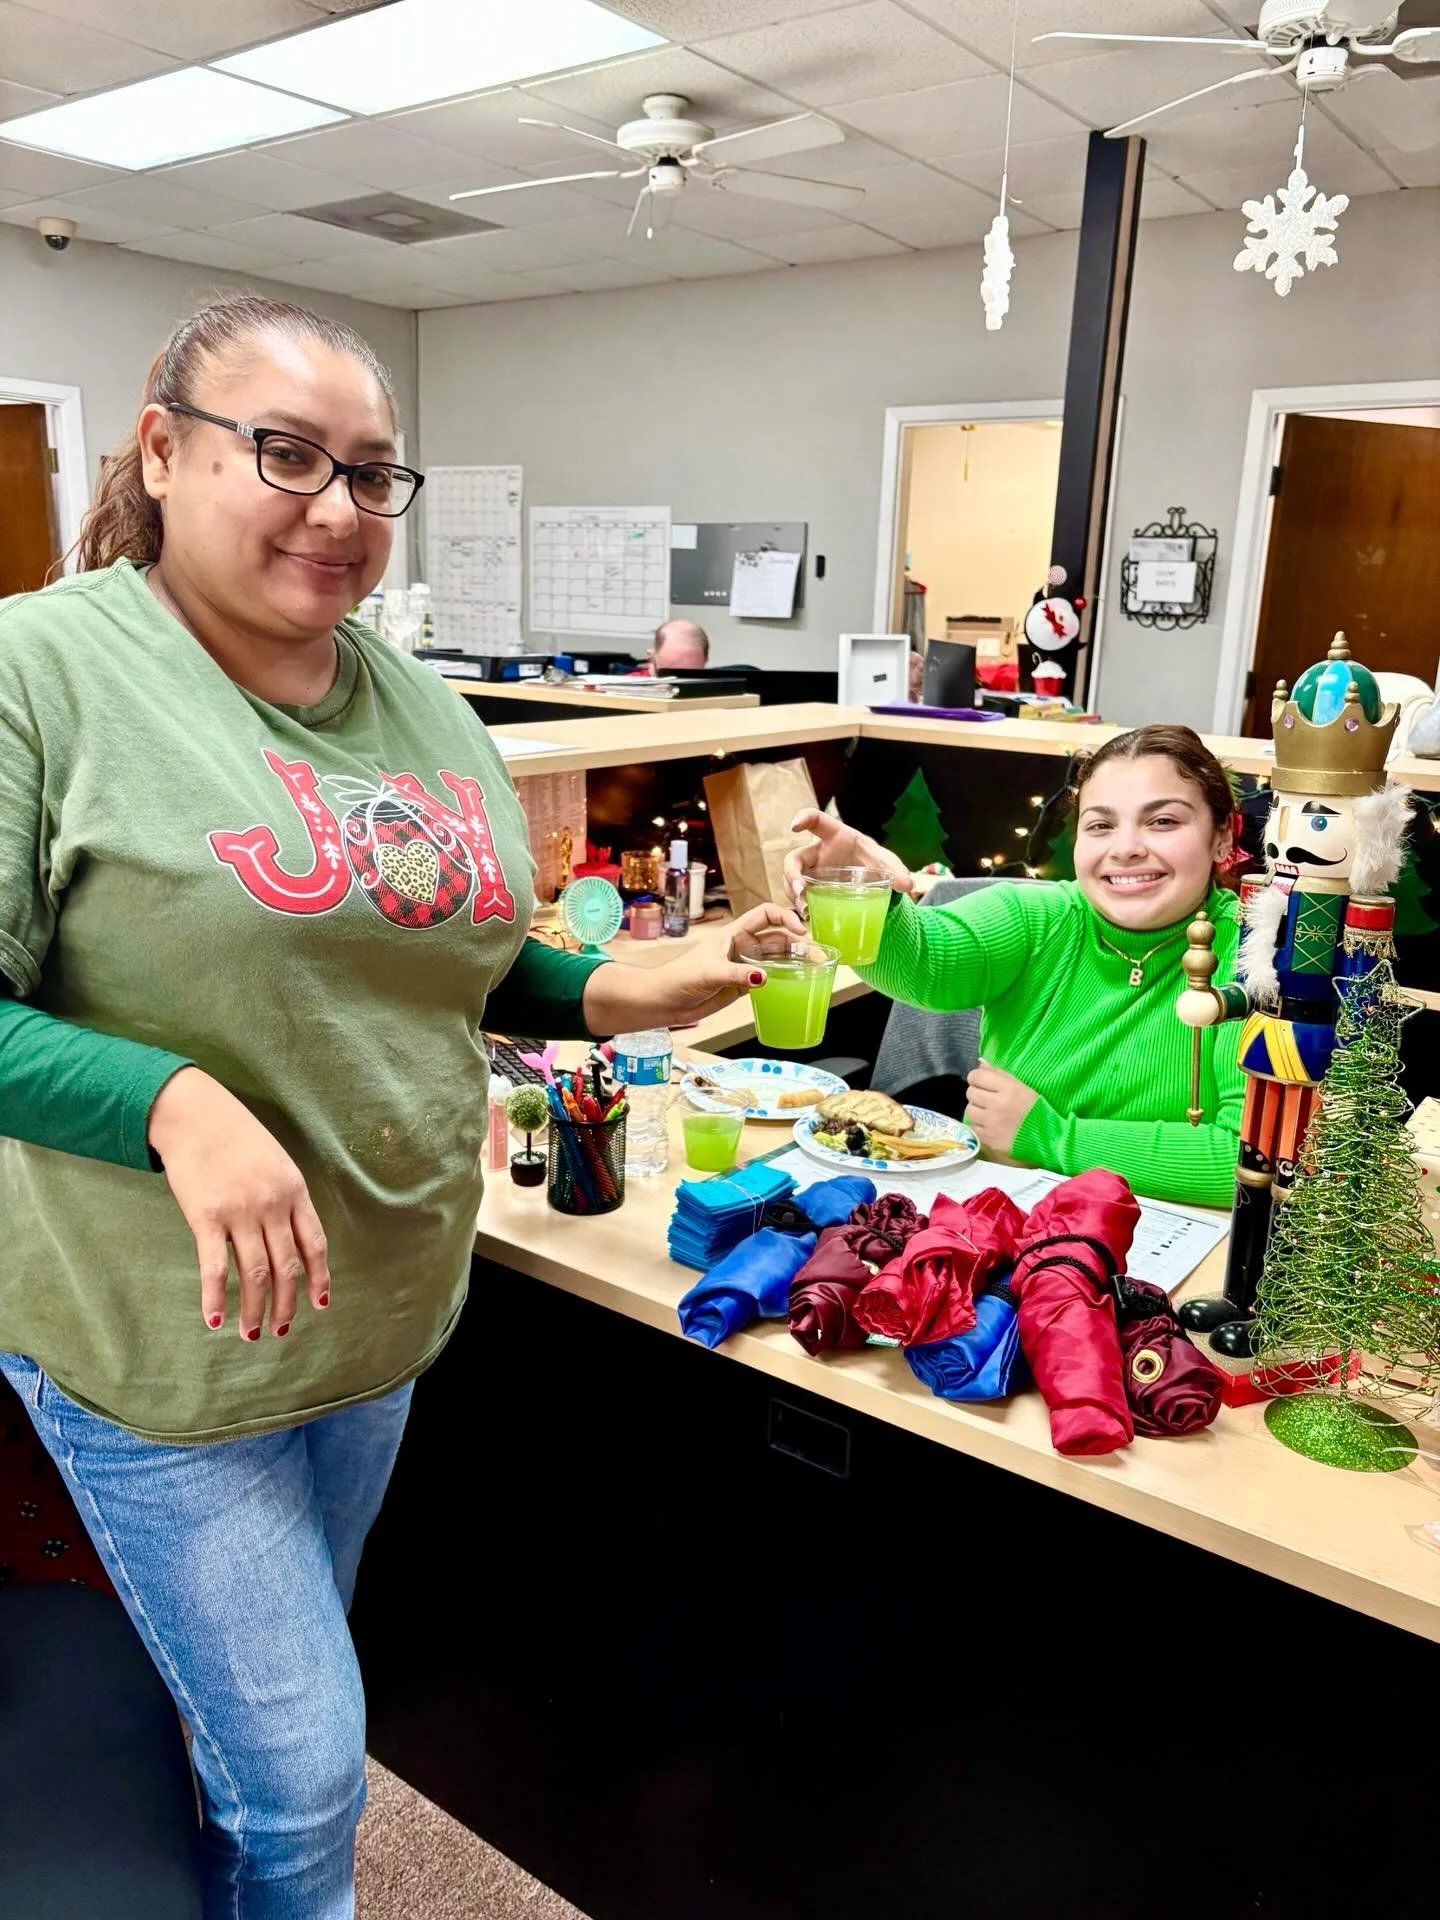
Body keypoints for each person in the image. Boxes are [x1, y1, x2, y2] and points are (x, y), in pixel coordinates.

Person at [0, 294, 802, 1919]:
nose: (339, 508)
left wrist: (630, 986)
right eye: (286, 454)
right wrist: (169, 1102)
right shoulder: (42, 671)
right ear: (160, 452)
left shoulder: (415, 699)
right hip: (167, 1353)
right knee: (305, 1779)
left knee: (263, 1718)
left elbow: (457, 955)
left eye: (372, 473)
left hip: (381, 1321)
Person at [785, 725, 1246, 1208]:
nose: (1125, 847)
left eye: (1163, 821)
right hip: (995, 1217)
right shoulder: (1035, 918)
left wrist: (1048, 1136)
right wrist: (865, 890)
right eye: (1100, 825)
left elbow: (1242, 1163)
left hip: (1168, 1237)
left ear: (1222, 836)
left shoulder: (1257, 962)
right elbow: (923, 962)